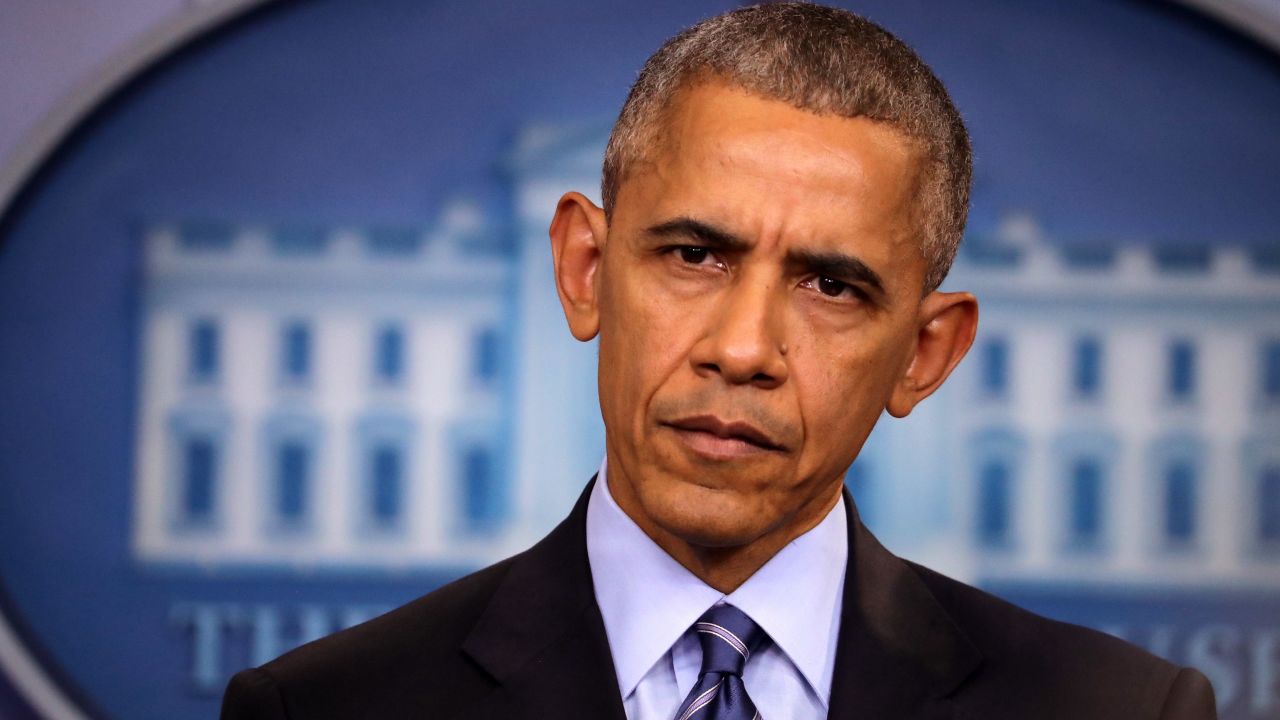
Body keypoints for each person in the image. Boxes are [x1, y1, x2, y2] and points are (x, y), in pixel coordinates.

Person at [221, 3, 1218, 718]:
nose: (742, 349)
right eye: (694, 256)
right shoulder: (323, 708)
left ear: (923, 354)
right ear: (584, 270)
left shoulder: (1120, 709)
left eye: (830, 285)